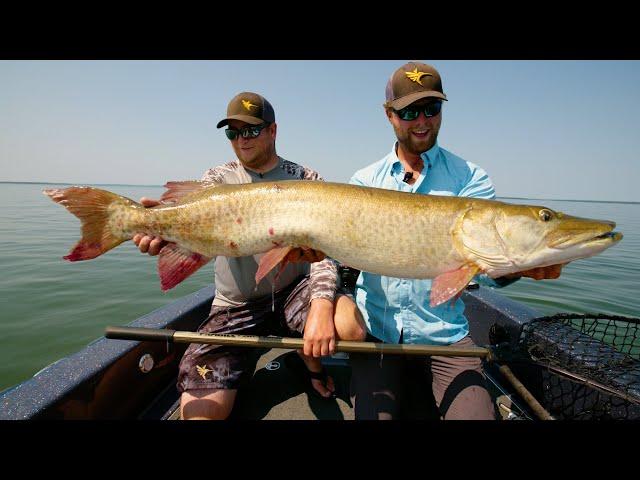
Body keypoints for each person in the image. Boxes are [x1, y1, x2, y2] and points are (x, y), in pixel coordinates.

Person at [346, 62, 564, 420]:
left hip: (445, 336)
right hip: (379, 334)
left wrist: (521, 267)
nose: (422, 121)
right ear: (389, 115)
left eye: (432, 109)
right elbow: (339, 255)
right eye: (409, 111)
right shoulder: (363, 182)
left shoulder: (470, 178)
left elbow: (490, 265)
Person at [133, 92, 366, 419]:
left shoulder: (305, 179)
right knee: (200, 415)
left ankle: (307, 358)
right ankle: (246, 365)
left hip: (293, 292)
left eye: (251, 130)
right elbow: (193, 232)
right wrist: (163, 236)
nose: (241, 139)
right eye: (233, 132)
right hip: (236, 304)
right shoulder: (216, 179)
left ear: (273, 131)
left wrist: (322, 304)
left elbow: (325, 250)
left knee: (350, 327)